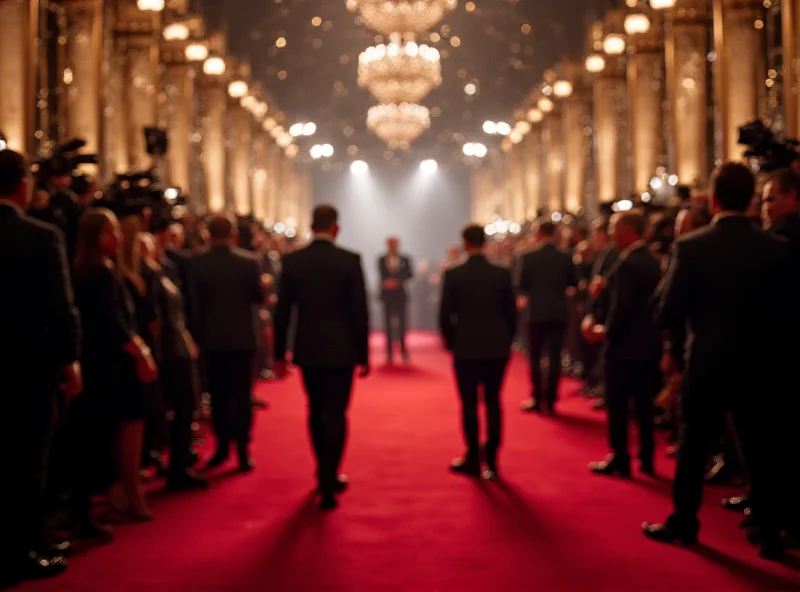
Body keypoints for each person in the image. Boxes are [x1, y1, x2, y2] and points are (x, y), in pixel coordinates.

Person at [642, 163, 795, 560]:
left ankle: (685, 523)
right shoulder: (775, 249)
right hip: (760, 366)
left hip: (707, 363)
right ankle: (769, 535)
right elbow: (787, 313)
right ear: (750, 200)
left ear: (713, 199)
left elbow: (666, 312)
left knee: (694, 446)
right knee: (760, 451)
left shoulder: (690, 247)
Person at [0, 149, 82, 585]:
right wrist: (70, 361)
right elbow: (61, 307)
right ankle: (25, 549)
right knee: (29, 460)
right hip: (30, 369)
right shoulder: (41, 235)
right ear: (21, 186)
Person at [273, 205, 370, 510]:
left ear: (311, 225)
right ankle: (330, 475)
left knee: (315, 410)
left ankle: (322, 473)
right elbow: (359, 312)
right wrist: (363, 353)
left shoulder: (293, 261)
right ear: (336, 228)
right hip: (342, 349)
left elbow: (282, 313)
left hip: (309, 347)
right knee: (338, 413)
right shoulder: (349, 260)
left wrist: (279, 354)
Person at [71, 208, 159, 527]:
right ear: (97, 237)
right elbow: (115, 325)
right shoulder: (101, 273)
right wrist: (142, 354)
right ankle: (125, 494)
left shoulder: (88, 269)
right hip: (112, 367)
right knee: (116, 433)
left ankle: (120, 492)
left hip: (100, 364)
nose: (119, 238)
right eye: (112, 232)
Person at [586, 211, 662, 477]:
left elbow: (621, 309)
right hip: (648, 345)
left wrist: (602, 332)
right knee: (644, 405)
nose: (610, 233)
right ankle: (648, 458)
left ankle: (620, 457)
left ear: (629, 231)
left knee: (617, 405)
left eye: (613, 228)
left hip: (623, 347)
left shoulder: (628, 263)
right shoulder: (653, 260)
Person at [439, 224, 517, 480]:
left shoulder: (454, 274)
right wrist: (507, 340)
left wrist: (452, 342)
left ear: (464, 242)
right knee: (494, 402)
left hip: (466, 346)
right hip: (496, 345)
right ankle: (493, 460)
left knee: (469, 403)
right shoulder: (502, 274)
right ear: (484, 242)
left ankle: (473, 455)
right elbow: (512, 314)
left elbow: (444, 316)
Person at [189, 214, 265, 472]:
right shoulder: (249, 262)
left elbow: (193, 306)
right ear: (233, 234)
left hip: (211, 340)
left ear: (208, 234)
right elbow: (257, 298)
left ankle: (222, 447)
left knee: (218, 396)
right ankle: (243, 451)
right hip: (242, 338)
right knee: (243, 397)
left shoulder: (197, 264)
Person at [516, 220, 577, 414]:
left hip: (536, 312)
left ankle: (536, 396)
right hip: (559, 312)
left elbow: (521, 285)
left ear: (540, 233)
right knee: (555, 356)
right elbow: (573, 282)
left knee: (534, 356)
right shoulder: (565, 257)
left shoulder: (528, 257)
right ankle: (551, 399)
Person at [378, 236, 414, 363]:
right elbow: (380, 274)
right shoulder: (381, 259)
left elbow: (410, 273)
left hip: (400, 295)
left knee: (402, 323)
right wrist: (387, 282)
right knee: (387, 324)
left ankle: (403, 350)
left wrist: (398, 281)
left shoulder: (405, 259)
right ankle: (389, 352)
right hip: (387, 295)